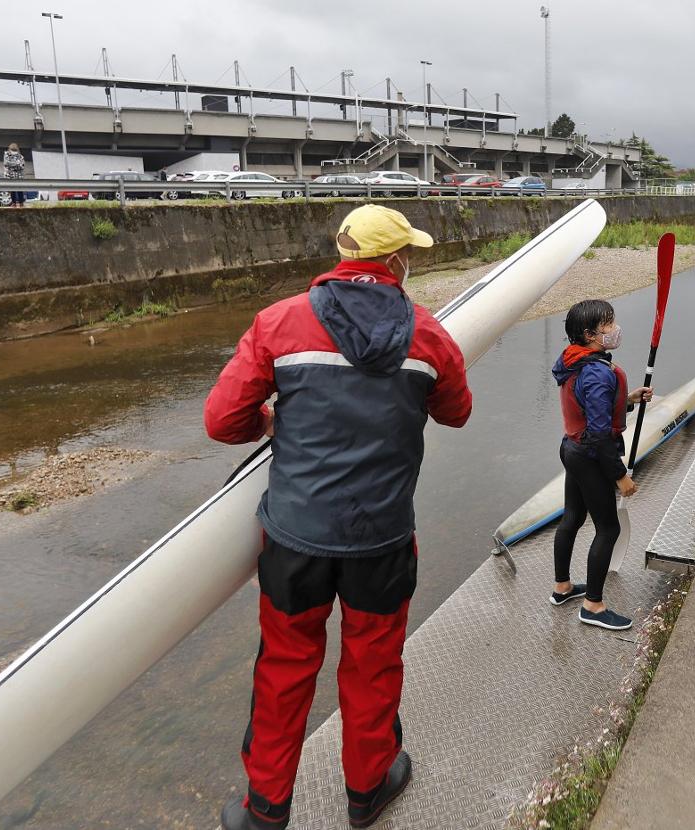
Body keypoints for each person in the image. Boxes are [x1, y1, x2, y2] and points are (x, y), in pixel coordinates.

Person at [204, 204, 472, 830]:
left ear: (345, 251)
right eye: (410, 255)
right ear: (394, 261)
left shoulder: (280, 322)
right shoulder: (427, 335)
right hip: (381, 538)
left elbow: (223, 421)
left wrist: (270, 420)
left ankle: (266, 810)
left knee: (284, 666)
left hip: (296, 536)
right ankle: (368, 790)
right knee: (373, 664)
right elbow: (456, 412)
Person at [551, 300, 652, 631]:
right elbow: (598, 433)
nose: (615, 328)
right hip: (591, 456)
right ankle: (593, 606)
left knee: (573, 517)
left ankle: (562, 587)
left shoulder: (573, 362)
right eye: (608, 323)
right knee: (609, 528)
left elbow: (589, 407)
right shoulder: (596, 372)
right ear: (590, 334)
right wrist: (619, 475)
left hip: (571, 448)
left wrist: (628, 399)